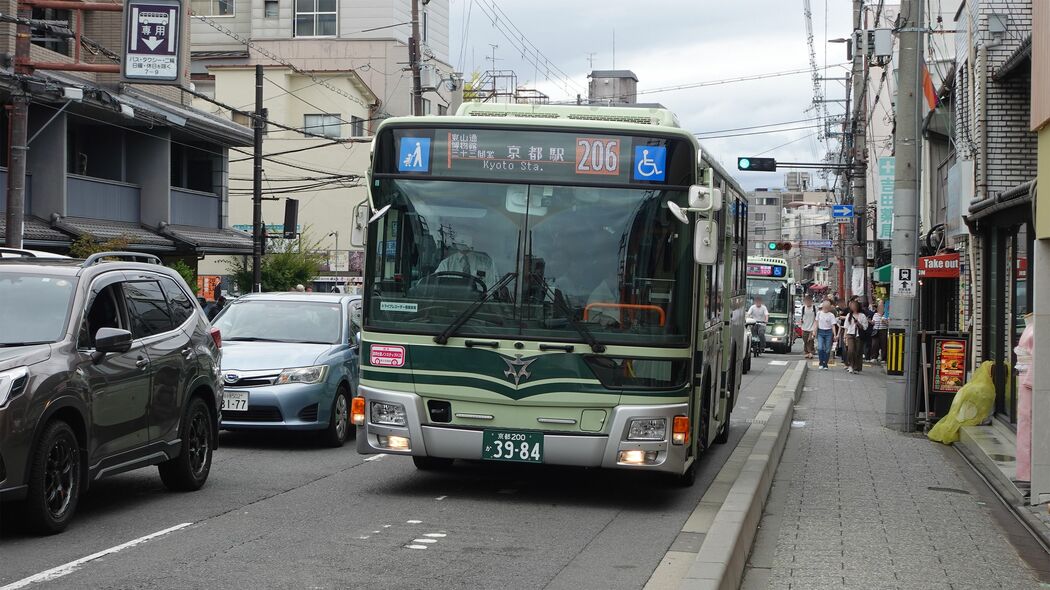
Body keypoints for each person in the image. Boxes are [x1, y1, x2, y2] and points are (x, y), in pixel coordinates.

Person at [844, 299, 870, 374]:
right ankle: (851, 365)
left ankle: (856, 367)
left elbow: (865, 327)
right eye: (852, 305)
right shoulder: (849, 315)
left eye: (854, 305)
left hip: (859, 335)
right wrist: (845, 337)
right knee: (850, 350)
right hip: (850, 334)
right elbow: (846, 327)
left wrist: (859, 324)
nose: (853, 307)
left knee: (858, 351)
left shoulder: (862, 316)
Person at [815, 300, 838, 370]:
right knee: (820, 348)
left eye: (827, 307)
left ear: (830, 308)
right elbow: (816, 323)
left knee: (828, 349)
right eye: (825, 307)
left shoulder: (831, 315)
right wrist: (814, 331)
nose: (826, 309)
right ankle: (821, 362)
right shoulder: (819, 313)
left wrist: (835, 335)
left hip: (828, 332)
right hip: (820, 332)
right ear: (823, 307)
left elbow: (833, 325)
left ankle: (825, 364)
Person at [799, 294, 817, 359]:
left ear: (811, 301)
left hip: (812, 327)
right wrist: (801, 321)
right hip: (804, 327)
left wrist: (815, 328)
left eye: (809, 301)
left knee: (811, 340)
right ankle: (806, 352)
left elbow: (816, 318)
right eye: (806, 301)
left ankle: (811, 352)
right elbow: (802, 317)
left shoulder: (814, 308)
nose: (808, 302)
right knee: (805, 340)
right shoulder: (803, 308)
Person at [869, 300, 887, 364]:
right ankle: (874, 357)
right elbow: (873, 322)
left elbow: (889, 323)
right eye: (879, 305)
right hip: (876, 330)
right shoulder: (875, 314)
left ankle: (883, 358)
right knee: (874, 344)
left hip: (883, 330)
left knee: (883, 345)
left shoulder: (886, 314)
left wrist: (885, 321)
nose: (880, 307)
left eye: (881, 305)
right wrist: (870, 321)